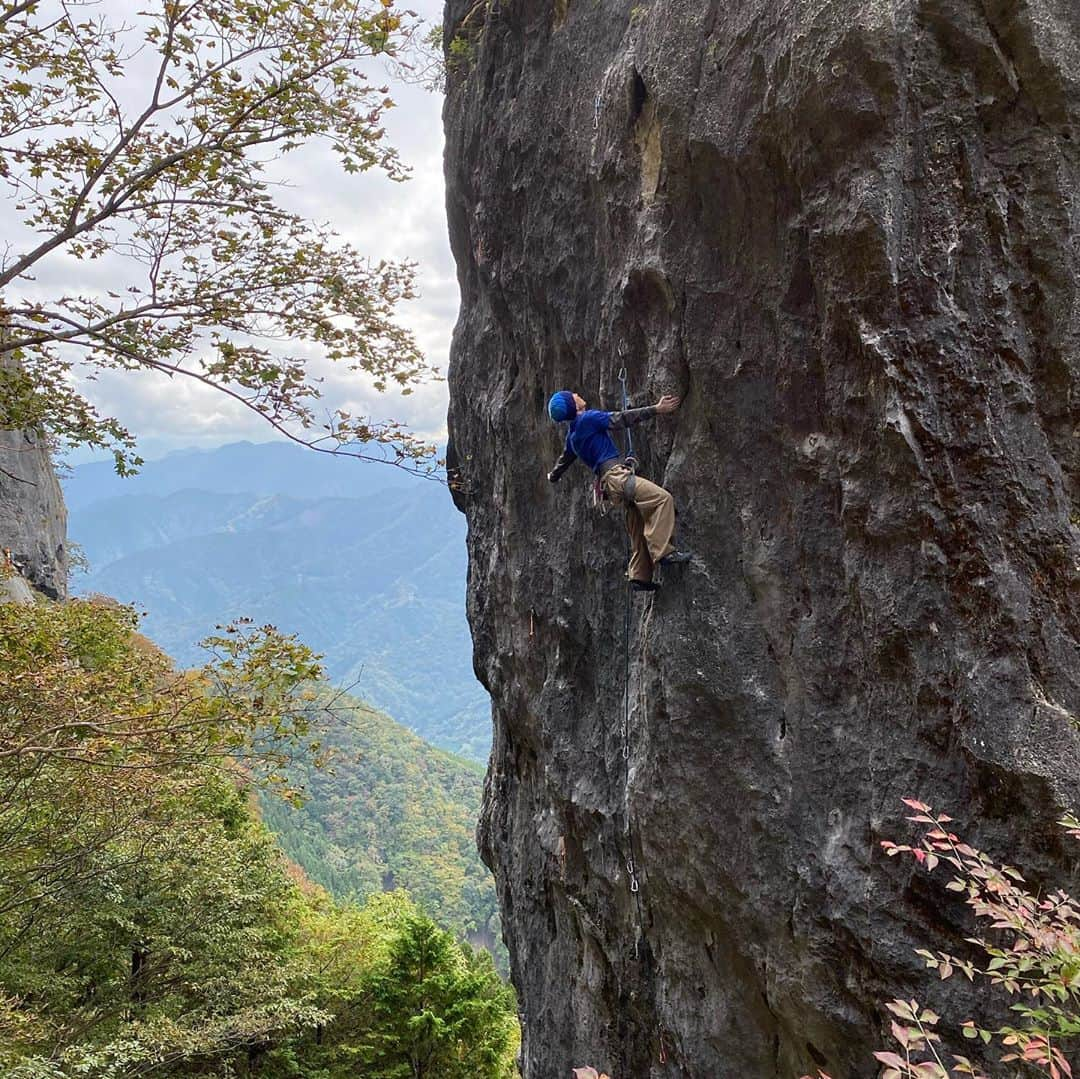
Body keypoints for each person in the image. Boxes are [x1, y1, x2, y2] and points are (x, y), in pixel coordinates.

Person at [547, 388, 691, 592]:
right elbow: (620, 419)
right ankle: (663, 552)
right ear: (573, 404)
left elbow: (564, 460)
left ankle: (640, 575)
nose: (578, 394)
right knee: (662, 499)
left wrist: (553, 476)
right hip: (618, 478)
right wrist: (657, 409)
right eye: (573, 395)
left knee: (638, 521)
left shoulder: (572, 436)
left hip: (611, 485)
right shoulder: (588, 419)